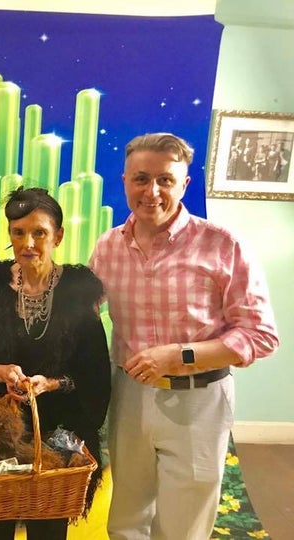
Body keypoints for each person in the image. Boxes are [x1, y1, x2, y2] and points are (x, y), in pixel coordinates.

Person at [89, 133, 280, 540]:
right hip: (128, 396)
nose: (152, 192)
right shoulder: (107, 248)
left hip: (199, 400)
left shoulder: (223, 246)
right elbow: (81, 316)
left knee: (185, 523)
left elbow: (260, 334)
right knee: (126, 515)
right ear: (124, 180)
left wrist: (180, 355)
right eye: (141, 179)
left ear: (185, 184)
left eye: (165, 180)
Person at [0, 187, 111, 539]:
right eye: (18, 232)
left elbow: (94, 374)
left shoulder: (77, 292)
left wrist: (50, 383)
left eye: (39, 232)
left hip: (54, 437)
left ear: (58, 236)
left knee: (48, 531)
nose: (28, 243)